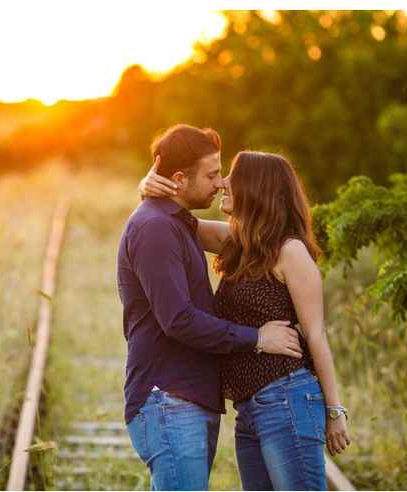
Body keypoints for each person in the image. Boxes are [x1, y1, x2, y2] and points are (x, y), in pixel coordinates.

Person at [139, 148, 351, 490]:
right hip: (249, 410)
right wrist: (148, 188)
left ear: (257, 188)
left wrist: (335, 410)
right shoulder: (239, 243)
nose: (223, 182)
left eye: (232, 177)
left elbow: (316, 335)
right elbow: (170, 223)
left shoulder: (290, 251)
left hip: (287, 398)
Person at [117, 124, 304, 491]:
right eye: (213, 174)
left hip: (188, 397)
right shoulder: (155, 228)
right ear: (180, 178)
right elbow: (178, 320)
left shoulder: (177, 224)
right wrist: (257, 338)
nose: (220, 183)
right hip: (168, 397)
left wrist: (147, 186)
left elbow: (260, 237)